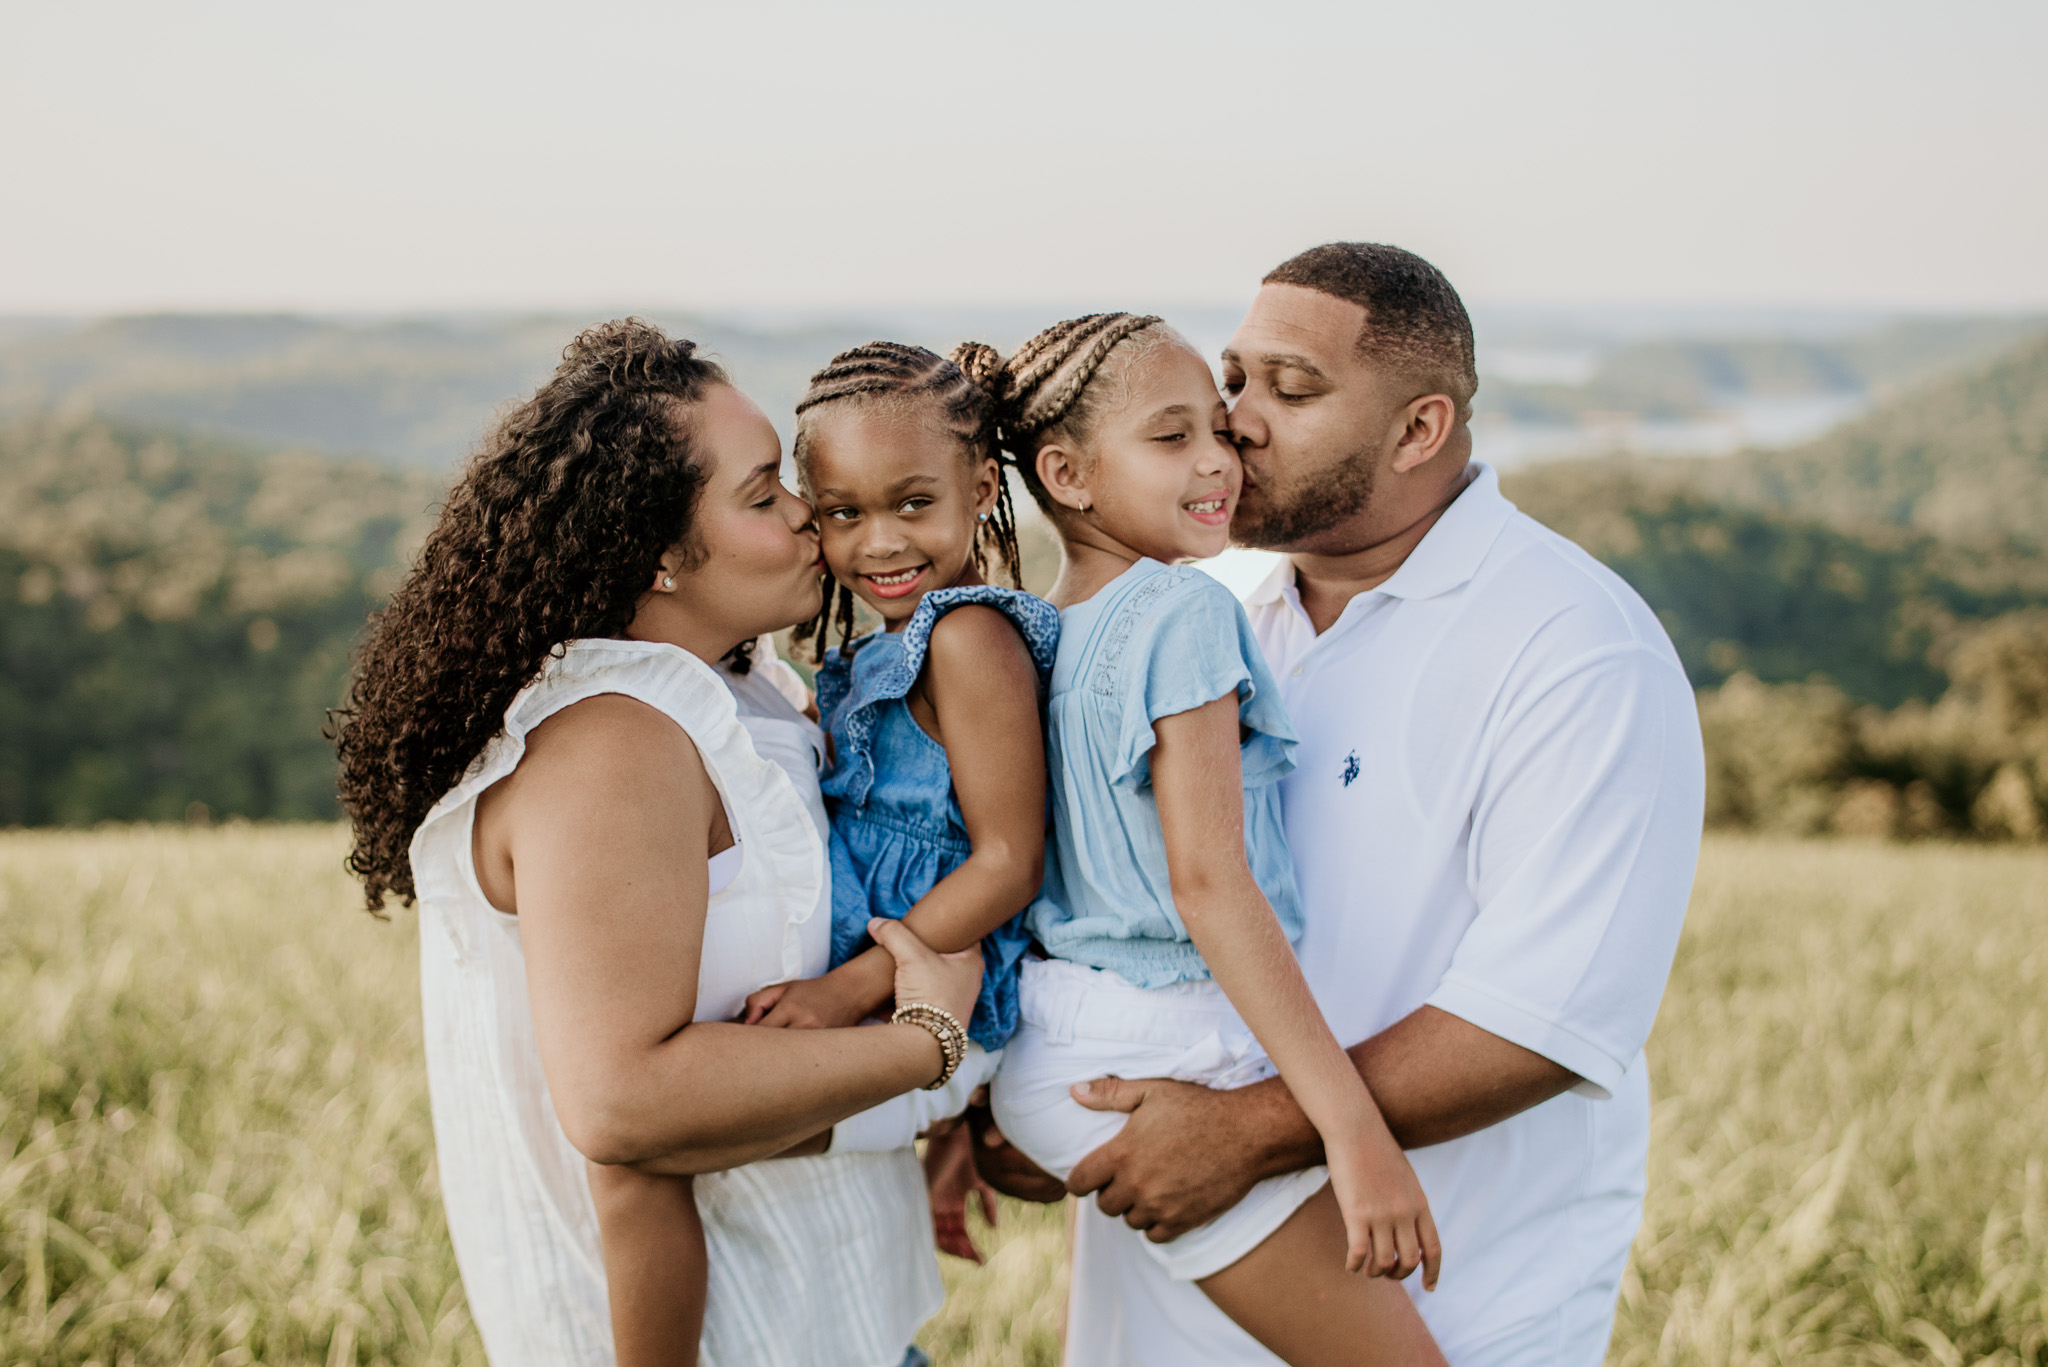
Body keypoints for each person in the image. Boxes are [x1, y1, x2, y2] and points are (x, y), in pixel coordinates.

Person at [1032, 245, 1706, 1367]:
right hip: (1159, 1298)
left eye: (1289, 390)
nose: (1236, 419)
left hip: (1447, 1296)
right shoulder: (1202, 608)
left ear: (1416, 430)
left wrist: (1241, 1136)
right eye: (1233, 377)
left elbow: (1536, 1022)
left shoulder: (1577, 650)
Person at [330, 319, 982, 1367]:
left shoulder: (739, 690)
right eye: (764, 495)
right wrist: (923, 1048)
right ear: (662, 554)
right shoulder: (613, 741)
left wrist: (933, 1102)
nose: (806, 513)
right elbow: (623, 1103)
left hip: (826, 1319)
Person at [964, 315, 1448, 1367]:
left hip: (1067, 1039)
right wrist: (1353, 1129)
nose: (1217, 462)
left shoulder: (1025, 634)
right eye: (1170, 437)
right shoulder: (1178, 609)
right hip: (1160, 1038)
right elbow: (1209, 882)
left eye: (1218, 434)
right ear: (1066, 472)